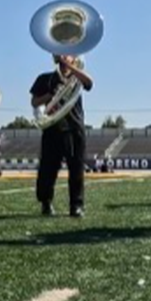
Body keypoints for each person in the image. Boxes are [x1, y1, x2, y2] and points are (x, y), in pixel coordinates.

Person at [30, 53, 93, 217]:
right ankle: (46, 202)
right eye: (61, 52)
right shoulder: (45, 78)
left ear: (75, 58)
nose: (65, 56)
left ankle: (76, 205)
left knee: (77, 169)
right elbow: (34, 102)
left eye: (69, 54)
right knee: (47, 169)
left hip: (75, 128)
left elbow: (89, 83)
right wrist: (51, 95)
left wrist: (72, 67)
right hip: (52, 128)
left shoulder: (77, 78)